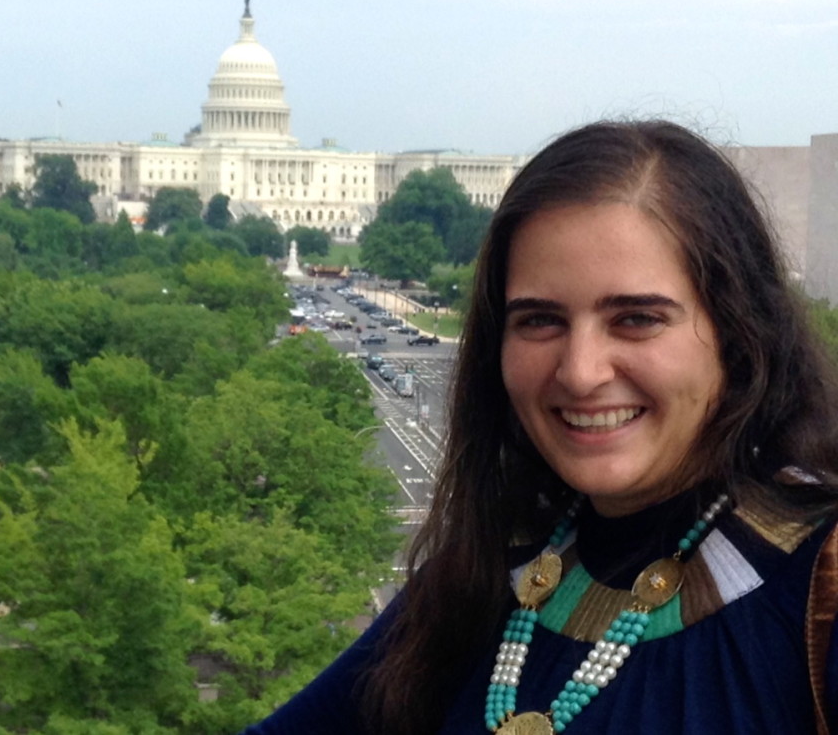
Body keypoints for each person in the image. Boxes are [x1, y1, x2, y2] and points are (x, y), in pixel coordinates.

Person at [240, 120, 838, 734]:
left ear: (738, 334)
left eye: (636, 318)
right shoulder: (485, 575)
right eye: (540, 321)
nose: (580, 373)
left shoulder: (817, 584)